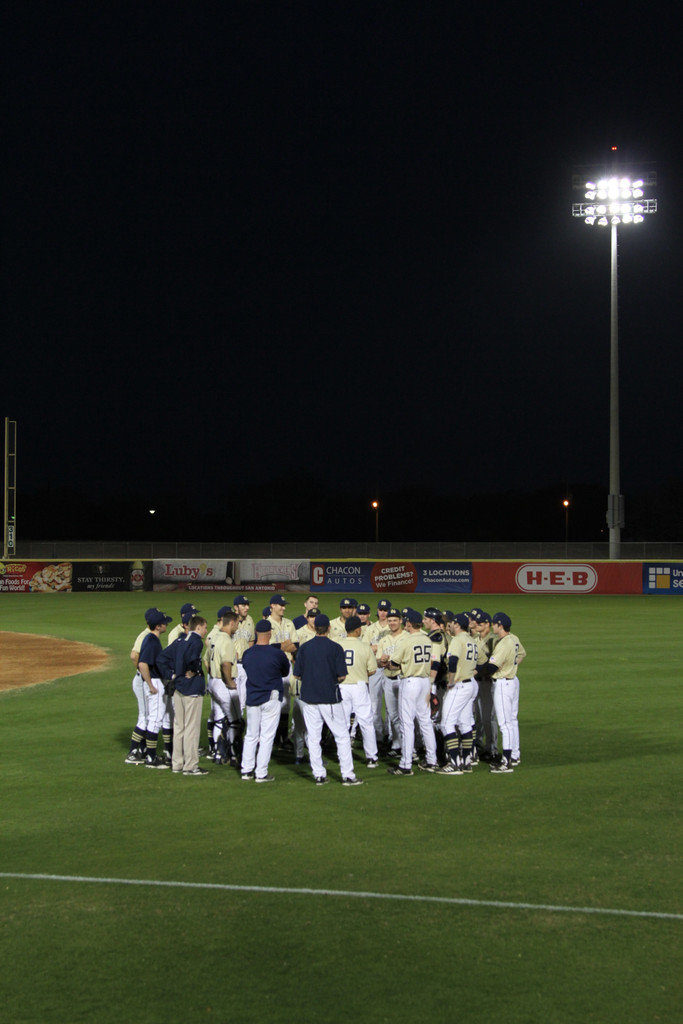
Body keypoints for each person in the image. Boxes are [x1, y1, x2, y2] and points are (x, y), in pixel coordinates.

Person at [292, 613, 363, 786]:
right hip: (330, 699)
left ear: (315, 628)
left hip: (308, 699)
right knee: (342, 737)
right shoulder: (335, 648)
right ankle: (347, 775)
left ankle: (319, 775)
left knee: (313, 737)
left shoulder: (305, 648)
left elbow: (297, 675)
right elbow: (342, 676)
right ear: (329, 628)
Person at [387, 610, 437, 776]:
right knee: (425, 721)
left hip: (410, 683)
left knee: (406, 723)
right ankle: (432, 760)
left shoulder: (406, 641)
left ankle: (405, 765)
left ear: (408, 624)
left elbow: (394, 664)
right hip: (424, 682)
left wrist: (385, 664)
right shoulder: (427, 639)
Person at [240, 620, 291, 782]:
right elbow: (285, 672)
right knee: (267, 736)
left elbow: (247, 668)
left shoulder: (247, 653)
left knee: (251, 735)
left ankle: (246, 770)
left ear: (255, 632)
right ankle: (261, 773)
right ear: (270, 634)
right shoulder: (277, 654)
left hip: (253, 698)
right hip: (271, 698)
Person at [479, 612, 526, 773]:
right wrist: (511, 666)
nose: (493, 626)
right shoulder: (514, 638)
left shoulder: (504, 643)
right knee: (512, 720)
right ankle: (514, 754)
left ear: (500, 626)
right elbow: (522, 655)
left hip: (503, 684)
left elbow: (491, 667)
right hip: (513, 682)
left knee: (504, 723)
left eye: (494, 624)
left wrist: (474, 670)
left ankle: (506, 761)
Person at [126, 608, 173, 767]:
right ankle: (151, 758)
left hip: (151, 681)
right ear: (158, 626)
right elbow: (142, 663)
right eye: (164, 623)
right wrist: (151, 685)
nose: (166, 625)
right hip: (154, 682)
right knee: (154, 720)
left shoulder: (149, 639)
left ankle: (148, 754)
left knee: (152, 719)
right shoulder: (151, 641)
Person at [437, 613, 479, 775]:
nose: (451, 626)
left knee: (446, 724)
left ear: (457, 625)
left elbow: (453, 661)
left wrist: (451, 680)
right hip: (470, 684)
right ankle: (467, 761)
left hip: (460, 685)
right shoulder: (471, 641)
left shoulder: (457, 640)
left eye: (453, 623)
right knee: (465, 724)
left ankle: (454, 763)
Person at [338, 615, 379, 767]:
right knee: (366, 722)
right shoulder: (364, 646)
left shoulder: (338, 645)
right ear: (357, 630)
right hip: (360, 686)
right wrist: (360, 673)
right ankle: (372, 757)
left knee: (342, 722)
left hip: (342, 686)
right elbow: (373, 670)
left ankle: (342, 755)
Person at [172, 615, 209, 776]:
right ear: (198, 627)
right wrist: (194, 670)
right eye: (205, 628)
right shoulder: (196, 641)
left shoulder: (181, 640)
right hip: (192, 689)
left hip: (178, 688)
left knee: (179, 727)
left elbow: (164, 657)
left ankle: (177, 763)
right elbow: (193, 659)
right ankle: (190, 766)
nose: (206, 631)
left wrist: (174, 674)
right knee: (191, 729)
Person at [125, 607, 159, 764]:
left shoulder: (149, 635)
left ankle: (143, 749)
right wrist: (143, 672)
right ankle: (132, 752)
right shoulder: (145, 635)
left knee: (147, 715)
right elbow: (134, 656)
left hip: (143, 679)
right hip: (141, 680)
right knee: (145, 716)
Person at [206, 611, 241, 765]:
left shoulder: (214, 637)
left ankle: (218, 754)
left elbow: (205, 660)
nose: (238, 626)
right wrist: (229, 682)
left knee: (219, 719)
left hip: (213, 682)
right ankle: (233, 754)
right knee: (236, 721)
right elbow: (226, 664)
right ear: (231, 623)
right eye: (237, 623)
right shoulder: (226, 640)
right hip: (223, 683)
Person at [376, 609, 404, 757]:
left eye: (395, 620)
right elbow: (378, 662)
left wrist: (389, 662)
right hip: (388, 679)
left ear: (401, 621)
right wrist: (382, 661)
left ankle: (411, 746)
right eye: (390, 620)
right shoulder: (384, 639)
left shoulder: (407, 637)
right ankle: (397, 744)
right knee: (393, 714)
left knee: (405, 715)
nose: (392, 623)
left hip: (403, 680)